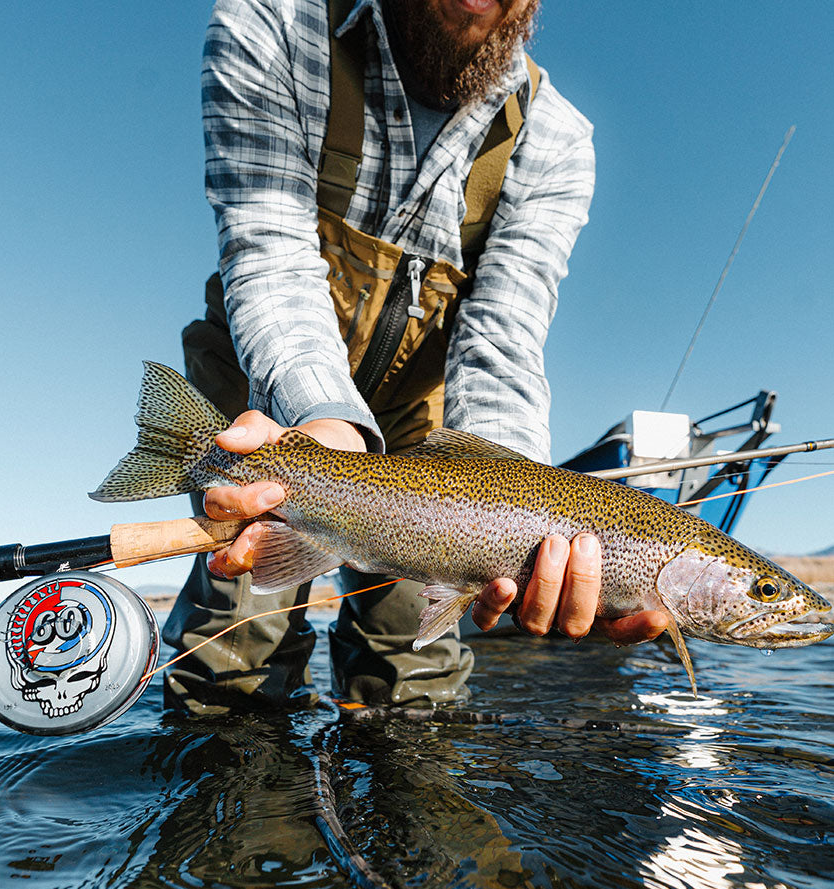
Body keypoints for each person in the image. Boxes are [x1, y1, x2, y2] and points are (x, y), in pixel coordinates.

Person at [162, 0, 668, 715]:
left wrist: (513, 516)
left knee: (413, 669)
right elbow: (269, 258)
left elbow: (503, 336)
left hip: (429, 433)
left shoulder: (557, 139)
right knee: (234, 647)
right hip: (261, 393)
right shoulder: (270, 25)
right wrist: (326, 428)